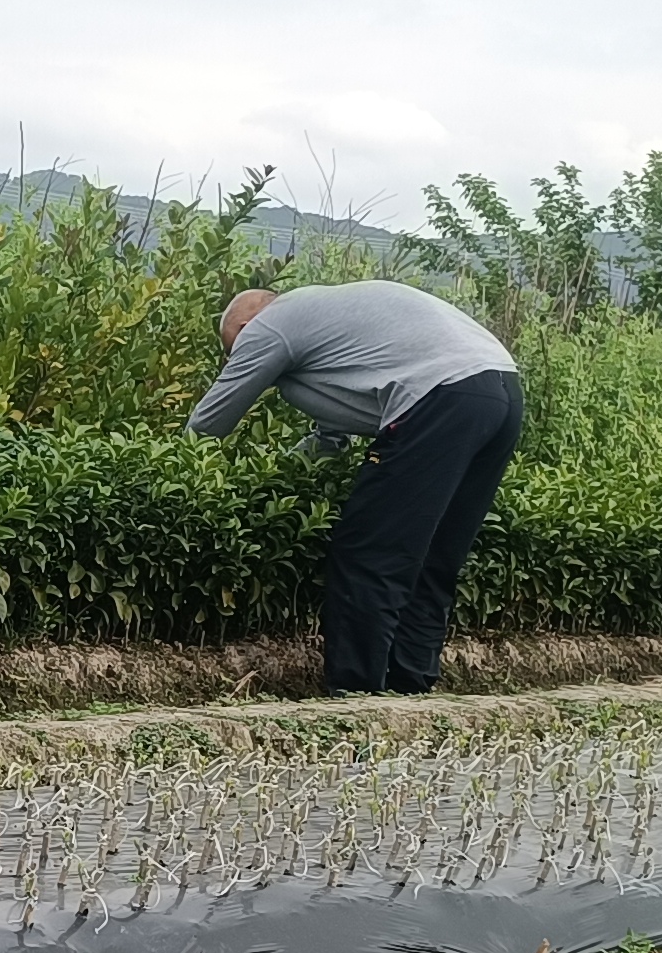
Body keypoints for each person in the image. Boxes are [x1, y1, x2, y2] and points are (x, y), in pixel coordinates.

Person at [185, 281, 522, 695]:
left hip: (439, 395)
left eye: (231, 347)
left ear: (246, 323)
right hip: (500, 389)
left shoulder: (268, 326)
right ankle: (410, 689)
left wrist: (180, 468)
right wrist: (281, 474)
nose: (236, 358)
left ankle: (357, 695)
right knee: (434, 554)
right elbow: (331, 436)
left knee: (368, 552)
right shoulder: (329, 321)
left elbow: (208, 425)